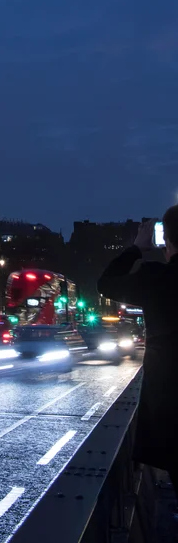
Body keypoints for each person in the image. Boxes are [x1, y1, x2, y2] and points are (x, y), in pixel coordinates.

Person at [98, 207, 178, 489]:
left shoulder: (157, 278)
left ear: (167, 241)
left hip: (170, 405)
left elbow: (106, 284)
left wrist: (135, 249)